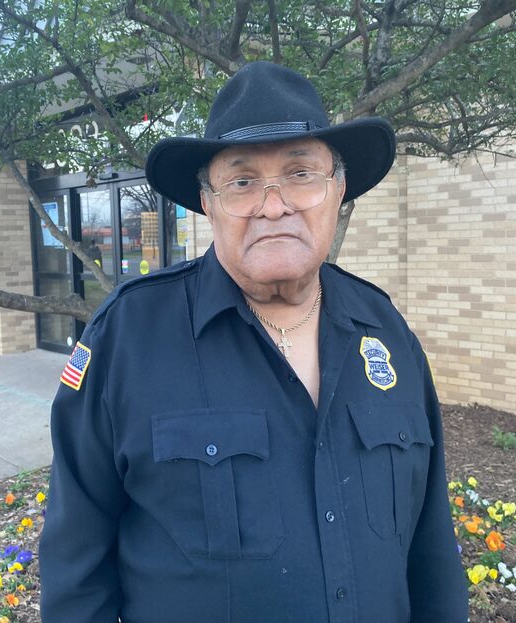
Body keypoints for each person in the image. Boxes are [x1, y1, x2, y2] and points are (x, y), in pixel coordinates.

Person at [39, 61, 468, 623]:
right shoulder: (128, 337)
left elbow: (430, 547)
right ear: (208, 202)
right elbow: (76, 568)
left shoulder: (384, 330)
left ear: (337, 191)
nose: (274, 205)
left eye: (300, 174)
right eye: (242, 182)